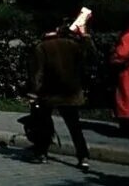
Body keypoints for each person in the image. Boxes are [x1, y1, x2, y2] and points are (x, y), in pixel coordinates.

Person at [30, 21, 94, 169]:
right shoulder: (71, 44)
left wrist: (35, 92)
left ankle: (42, 153)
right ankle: (83, 156)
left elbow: (38, 73)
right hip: (70, 92)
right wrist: (85, 37)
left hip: (49, 93)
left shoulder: (41, 47)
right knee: (75, 127)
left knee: (44, 124)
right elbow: (89, 57)